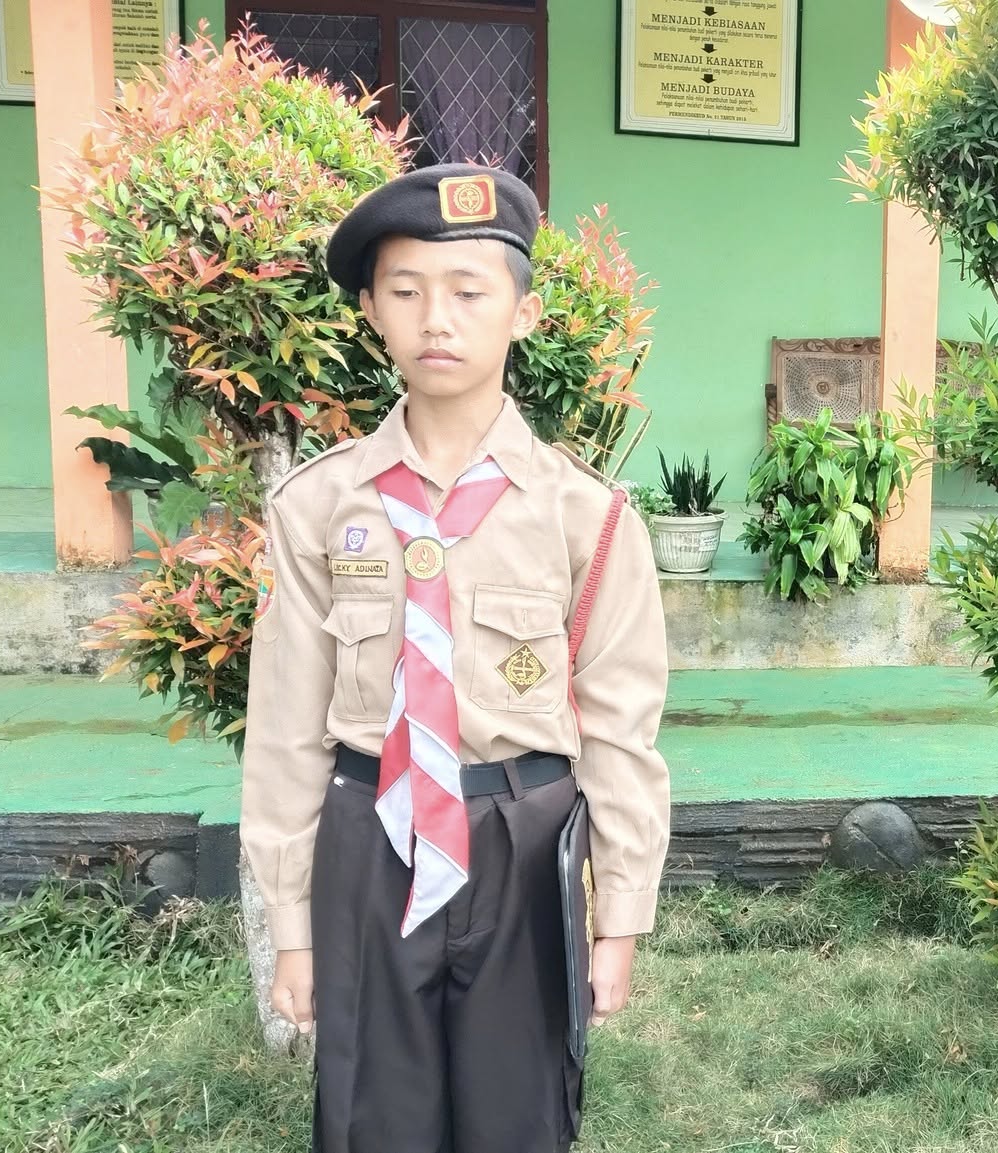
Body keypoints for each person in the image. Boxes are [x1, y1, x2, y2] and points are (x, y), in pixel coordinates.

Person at [240, 163, 672, 1153]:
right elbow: (285, 730)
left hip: (522, 841)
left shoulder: (585, 516)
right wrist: (292, 926)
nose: (436, 318)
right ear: (370, 311)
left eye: (469, 292)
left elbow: (621, 728)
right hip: (368, 838)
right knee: (372, 1118)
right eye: (405, 291)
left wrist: (620, 916)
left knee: (519, 1117)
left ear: (522, 313)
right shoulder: (318, 508)